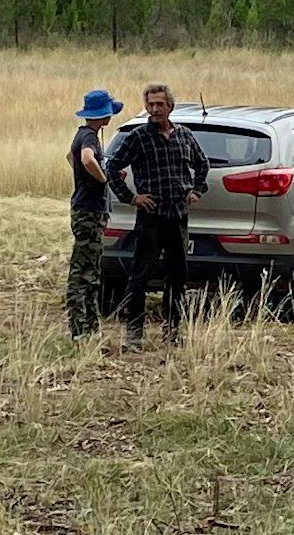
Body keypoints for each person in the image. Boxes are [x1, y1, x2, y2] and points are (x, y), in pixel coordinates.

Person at [103, 82, 209, 345]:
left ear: (170, 106)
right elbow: (112, 167)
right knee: (140, 275)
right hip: (150, 217)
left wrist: (196, 190)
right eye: (150, 104)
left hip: (178, 216)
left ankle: (173, 332)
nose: (154, 109)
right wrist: (131, 198)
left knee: (177, 276)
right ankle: (134, 333)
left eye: (160, 104)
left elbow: (203, 164)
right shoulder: (138, 137)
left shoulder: (184, 135)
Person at [64, 88, 122, 338]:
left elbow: (70, 157)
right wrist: (103, 179)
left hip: (85, 208)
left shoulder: (83, 134)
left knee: (89, 268)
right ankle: (80, 327)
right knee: (84, 270)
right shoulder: (89, 138)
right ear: (104, 114)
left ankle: (87, 325)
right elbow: (87, 160)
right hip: (89, 211)